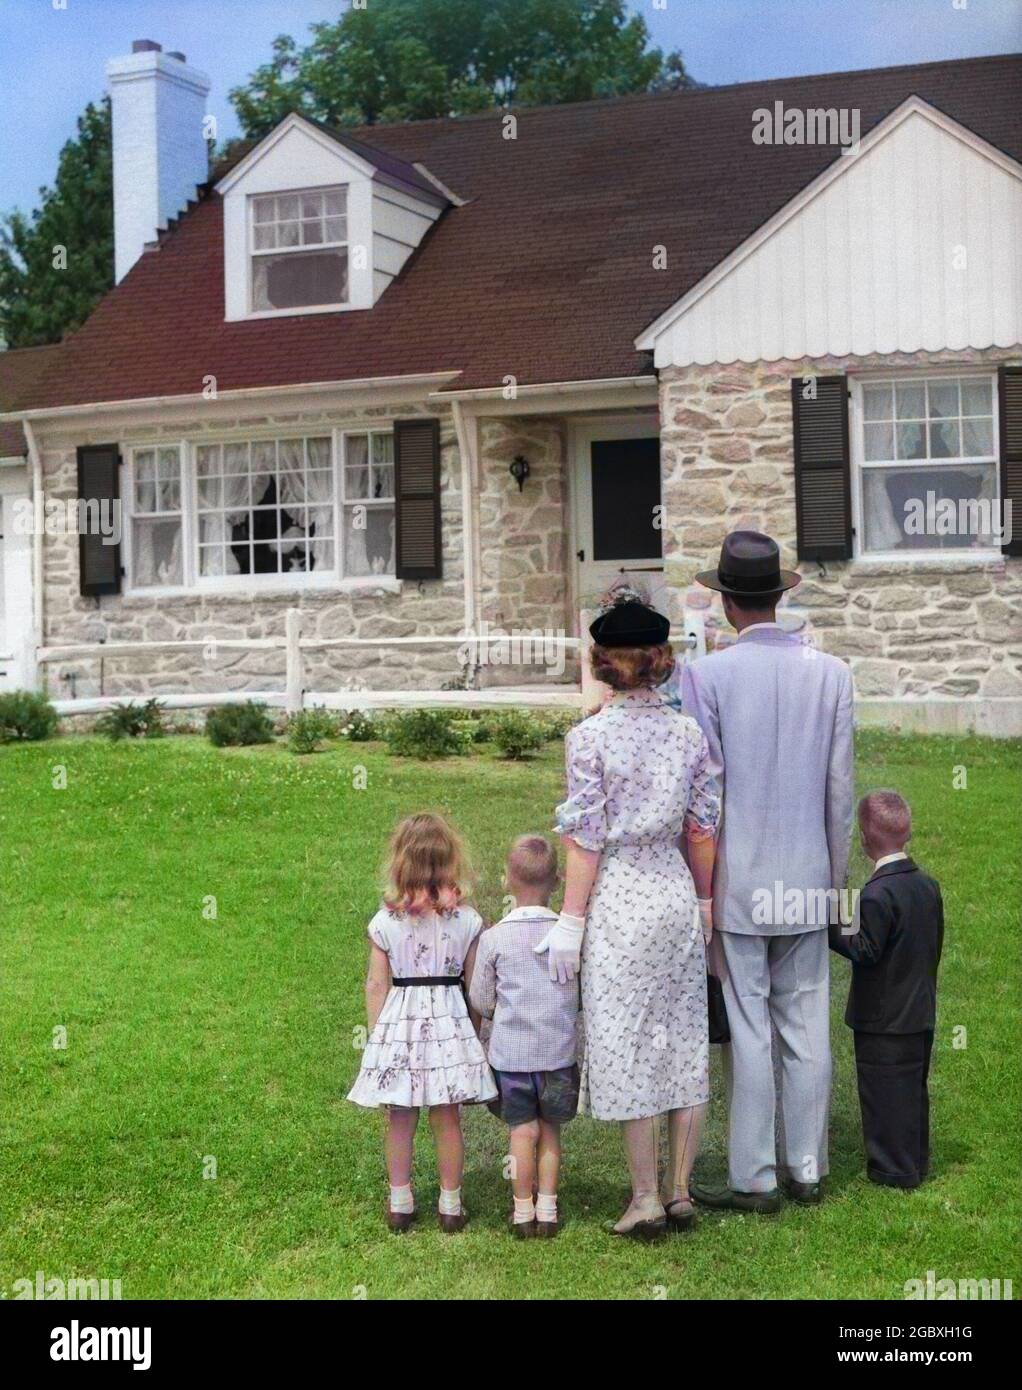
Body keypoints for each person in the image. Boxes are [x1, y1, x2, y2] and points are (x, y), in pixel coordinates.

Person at [681, 530, 854, 1212]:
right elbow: (840, 792)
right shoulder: (832, 673)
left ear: (727, 604)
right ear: (780, 597)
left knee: (750, 1024)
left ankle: (754, 1175)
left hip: (740, 880)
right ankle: (805, 1167)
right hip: (808, 875)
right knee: (806, 1023)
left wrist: (703, 891)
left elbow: (706, 796)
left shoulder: (708, 676)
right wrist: (836, 887)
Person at [544, 599, 720, 1242]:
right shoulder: (689, 735)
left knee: (627, 1036)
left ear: (603, 663)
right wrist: (704, 900)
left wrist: (570, 919)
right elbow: (702, 829)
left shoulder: (589, 738)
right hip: (673, 893)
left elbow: (585, 838)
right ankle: (679, 1190)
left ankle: (644, 1194)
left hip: (621, 892)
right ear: (660, 661)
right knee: (681, 1033)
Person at [347, 812, 497, 1233]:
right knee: (447, 1116)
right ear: (451, 861)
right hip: (450, 1024)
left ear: (400, 863)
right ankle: (451, 1206)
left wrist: (379, 1037)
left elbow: (377, 984)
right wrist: (472, 1032)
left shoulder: (385, 921)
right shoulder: (467, 920)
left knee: (400, 1115)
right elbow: (475, 988)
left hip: (401, 1027)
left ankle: (401, 1203)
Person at [829, 790, 943, 1189]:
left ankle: (891, 1170)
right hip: (918, 1011)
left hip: (882, 1020)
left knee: (882, 1094)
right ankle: (915, 1160)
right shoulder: (927, 886)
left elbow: (865, 948)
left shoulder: (877, 894)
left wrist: (834, 924)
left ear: (864, 838)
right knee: (911, 1091)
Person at [470, 835, 579, 1239]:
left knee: (522, 1132)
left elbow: (481, 998)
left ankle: (521, 1210)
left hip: (512, 1058)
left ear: (506, 881)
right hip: (558, 1055)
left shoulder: (495, 938)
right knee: (550, 1131)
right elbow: (581, 995)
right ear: (558, 881)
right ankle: (548, 1208)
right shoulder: (569, 937)